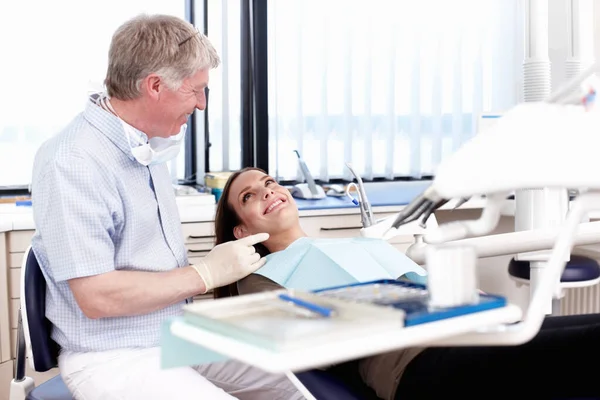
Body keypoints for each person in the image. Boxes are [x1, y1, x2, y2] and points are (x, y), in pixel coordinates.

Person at [30, 15, 303, 400]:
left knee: (303, 387)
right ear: (155, 86)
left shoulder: (147, 146)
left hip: (175, 335)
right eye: (196, 91)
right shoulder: (74, 161)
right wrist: (206, 272)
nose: (203, 104)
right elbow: (97, 296)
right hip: (114, 355)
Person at [214, 166, 600, 399]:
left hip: (474, 331)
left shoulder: (350, 247)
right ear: (241, 228)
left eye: (270, 182)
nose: (268, 191)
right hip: (420, 363)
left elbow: (421, 284)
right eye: (250, 195)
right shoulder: (259, 280)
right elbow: (307, 346)